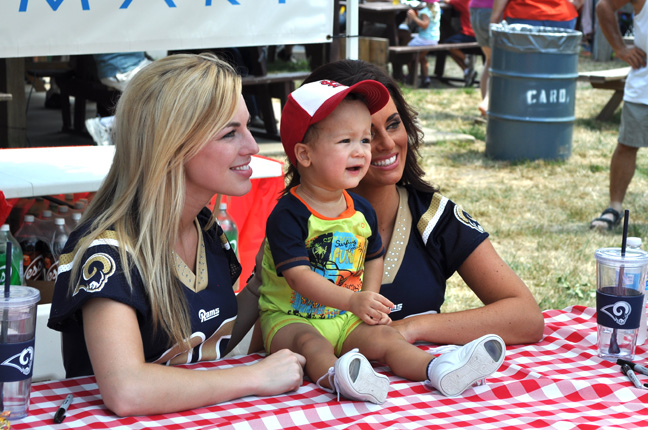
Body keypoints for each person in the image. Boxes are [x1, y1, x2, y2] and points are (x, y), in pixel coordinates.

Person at [47, 53, 305, 417]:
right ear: (172, 145)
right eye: (231, 133)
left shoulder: (205, 228)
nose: (251, 147)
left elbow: (199, 350)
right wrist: (254, 375)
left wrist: (267, 275)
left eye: (247, 128)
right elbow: (128, 391)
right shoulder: (108, 250)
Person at [257, 78, 506, 404]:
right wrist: (352, 301)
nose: (362, 149)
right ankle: (338, 377)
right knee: (310, 344)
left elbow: (374, 256)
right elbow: (298, 277)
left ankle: (440, 369)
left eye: (364, 139)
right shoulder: (289, 214)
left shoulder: (360, 209)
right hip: (289, 318)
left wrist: (368, 299)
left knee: (388, 339)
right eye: (346, 140)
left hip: (345, 318)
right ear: (304, 155)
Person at [301, 60, 545, 347]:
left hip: (424, 384)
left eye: (393, 125)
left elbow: (527, 318)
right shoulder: (297, 217)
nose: (388, 144)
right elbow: (266, 319)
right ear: (313, 148)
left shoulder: (435, 216)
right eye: (365, 135)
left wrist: (412, 328)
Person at [589, 0, 647, 231]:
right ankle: (614, 208)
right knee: (626, 146)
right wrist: (620, 48)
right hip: (644, 86)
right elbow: (604, 7)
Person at [85, 52, 152, 145]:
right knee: (163, 87)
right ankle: (108, 124)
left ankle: (109, 124)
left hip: (126, 64)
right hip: (123, 67)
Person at [442, 0, 478, 86]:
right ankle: (467, 71)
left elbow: (447, 1)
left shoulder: (463, 1)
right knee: (452, 51)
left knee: (447, 45)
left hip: (469, 34)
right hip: (481, 35)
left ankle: (466, 59)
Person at [406, 0, 442, 88]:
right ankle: (425, 78)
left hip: (425, 39)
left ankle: (411, 76)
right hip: (434, 38)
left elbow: (425, 25)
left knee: (407, 52)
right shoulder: (437, 7)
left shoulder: (425, 12)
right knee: (422, 57)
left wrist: (414, 17)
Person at [470, 0, 494, 115]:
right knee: (496, 62)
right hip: (491, 11)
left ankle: (485, 108)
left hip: (475, 9)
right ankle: (487, 103)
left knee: (489, 60)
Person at [490, 0, 583, 30]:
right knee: (558, 66)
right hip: (562, 16)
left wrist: (494, 20)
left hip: (523, 14)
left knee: (522, 65)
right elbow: (578, 2)